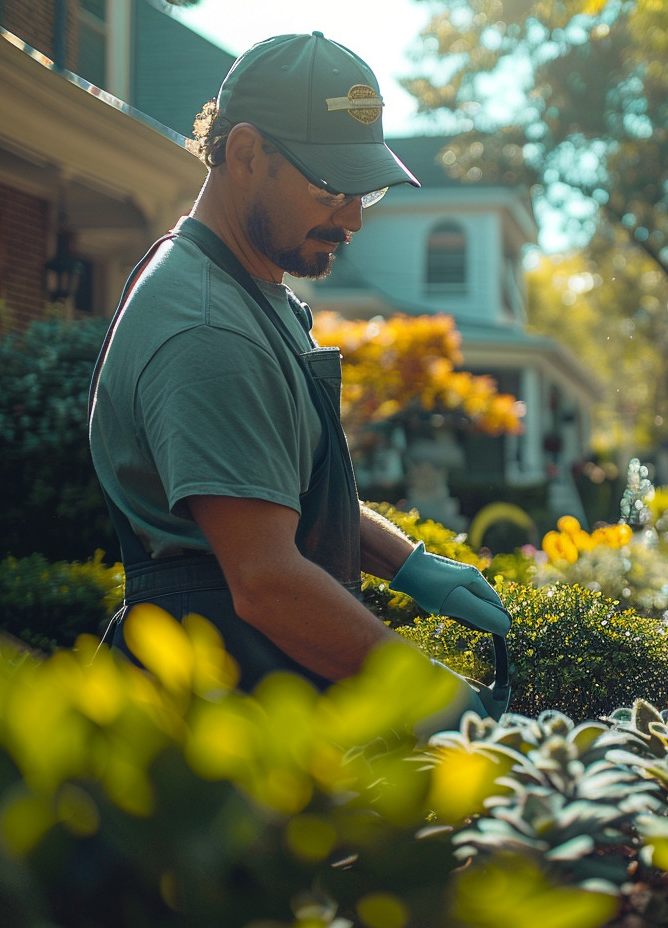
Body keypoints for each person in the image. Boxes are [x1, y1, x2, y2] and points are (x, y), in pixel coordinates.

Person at [88, 32, 509, 730]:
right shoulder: (207, 328)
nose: (350, 218)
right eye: (330, 186)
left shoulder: (252, 293)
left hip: (263, 686)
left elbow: (276, 490)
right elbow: (267, 583)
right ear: (246, 153)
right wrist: (432, 698)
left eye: (362, 189)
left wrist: (409, 564)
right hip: (216, 713)